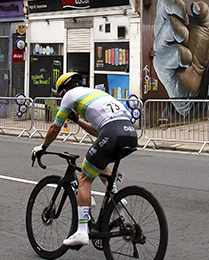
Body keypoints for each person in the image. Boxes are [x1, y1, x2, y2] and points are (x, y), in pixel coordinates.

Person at [32, 72, 137, 247]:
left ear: (64, 90)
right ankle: (117, 200)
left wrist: (42, 148)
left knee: (84, 178)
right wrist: (78, 120)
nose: (62, 97)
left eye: (60, 94)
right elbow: (99, 132)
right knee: (99, 163)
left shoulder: (69, 96)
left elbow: (54, 128)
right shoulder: (94, 94)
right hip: (129, 133)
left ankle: (81, 232)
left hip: (112, 132)